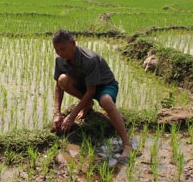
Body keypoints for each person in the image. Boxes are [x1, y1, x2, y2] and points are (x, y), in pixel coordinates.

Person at [51, 29, 132, 159]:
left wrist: (71, 117)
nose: (60, 53)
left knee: (106, 101)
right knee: (62, 80)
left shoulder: (90, 59)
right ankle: (87, 104)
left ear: (73, 43)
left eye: (63, 49)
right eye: (57, 50)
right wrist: (57, 113)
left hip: (104, 86)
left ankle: (127, 144)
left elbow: (91, 91)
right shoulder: (60, 60)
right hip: (85, 85)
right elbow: (58, 86)